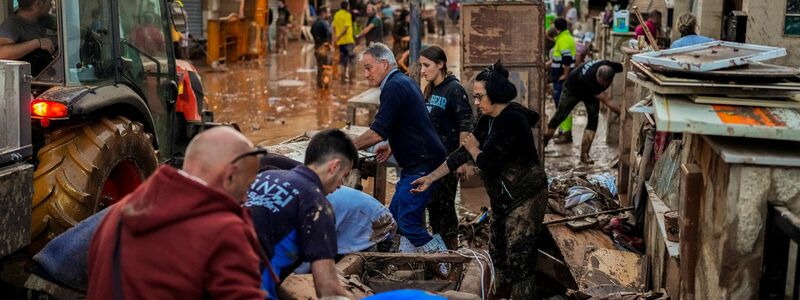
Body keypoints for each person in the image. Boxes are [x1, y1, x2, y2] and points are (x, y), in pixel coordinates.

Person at [410, 62, 548, 299]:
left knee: (520, 260)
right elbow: (461, 154)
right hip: (502, 199)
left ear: (495, 95)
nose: (475, 103)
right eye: (474, 97)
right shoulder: (487, 119)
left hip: (526, 196)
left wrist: (474, 149)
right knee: (497, 254)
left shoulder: (513, 119)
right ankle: (501, 294)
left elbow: (487, 161)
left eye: (479, 97)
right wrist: (431, 178)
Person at [87, 127, 266, 299]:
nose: (245, 197)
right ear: (230, 175)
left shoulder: (117, 213)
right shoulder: (225, 230)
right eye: (247, 186)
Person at [352, 43, 448, 251]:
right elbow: (410, 121)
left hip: (422, 164)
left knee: (407, 223)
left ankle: (445, 264)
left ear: (384, 64)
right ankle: (409, 262)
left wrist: (345, 147)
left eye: (369, 67)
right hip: (419, 161)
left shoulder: (394, 86)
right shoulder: (402, 81)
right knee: (393, 220)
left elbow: (377, 131)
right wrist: (392, 145)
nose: (366, 74)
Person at [246, 129, 356, 299]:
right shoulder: (317, 205)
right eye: (345, 175)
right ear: (334, 166)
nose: (341, 185)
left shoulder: (266, 176)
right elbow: (328, 290)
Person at [419, 45, 474, 249]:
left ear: (440, 65)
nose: (423, 70)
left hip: (449, 160)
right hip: (431, 161)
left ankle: (451, 252)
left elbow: (466, 123)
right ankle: (438, 250)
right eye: (421, 66)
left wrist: (462, 160)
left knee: (445, 208)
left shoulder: (454, 89)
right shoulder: (430, 88)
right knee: (433, 206)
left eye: (427, 65)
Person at [543, 60, 623, 164]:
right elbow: (607, 101)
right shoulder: (590, 79)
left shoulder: (611, 65)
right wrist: (623, 113)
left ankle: (584, 155)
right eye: (600, 82)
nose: (602, 85)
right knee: (559, 116)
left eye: (603, 84)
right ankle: (543, 143)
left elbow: (624, 65)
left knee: (593, 119)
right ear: (597, 75)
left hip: (590, 93)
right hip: (572, 89)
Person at [0, 0, 56, 77]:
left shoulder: (43, 18)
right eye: (49, 1)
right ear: (39, 4)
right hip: (27, 80)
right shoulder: (12, 25)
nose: (51, 5)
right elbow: (1, 53)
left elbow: (68, 27)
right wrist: (37, 43)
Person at [550, 17, 577, 144]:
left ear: (556, 28)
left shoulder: (564, 40)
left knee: (562, 106)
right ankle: (563, 131)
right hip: (561, 76)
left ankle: (565, 134)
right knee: (561, 105)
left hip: (561, 78)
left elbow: (566, 59)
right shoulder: (564, 38)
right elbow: (560, 58)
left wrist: (565, 75)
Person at [333, 0, 357, 82]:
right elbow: (346, 28)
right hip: (348, 41)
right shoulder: (347, 14)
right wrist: (339, 36)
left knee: (342, 61)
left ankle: (342, 79)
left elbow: (334, 28)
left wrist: (335, 38)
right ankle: (351, 79)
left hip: (340, 43)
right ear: (347, 6)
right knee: (352, 60)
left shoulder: (336, 15)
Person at [311, 6, 334, 88]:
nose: (329, 14)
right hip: (324, 47)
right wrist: (329, 45)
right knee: (326, 67)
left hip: (317, 47)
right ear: (323, 13)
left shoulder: (315, 23)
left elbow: (312, 32)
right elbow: (329, 33)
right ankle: (325, 86)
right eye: (328, 12)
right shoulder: (324, 23)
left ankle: (319, 84)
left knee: (319, 67)